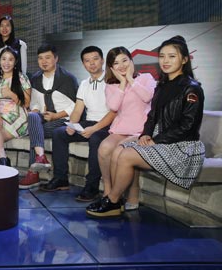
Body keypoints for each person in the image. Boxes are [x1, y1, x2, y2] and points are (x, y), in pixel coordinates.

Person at [87, 36, 205, 218]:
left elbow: (188, 127)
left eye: (172, 56)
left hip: (183, 147)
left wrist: (155, 139)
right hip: (163, 140)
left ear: (184, 59)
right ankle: (114, 199)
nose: (165, 61)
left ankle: (113, 200)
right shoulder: (163, 85)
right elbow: (151, 116)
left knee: (125, 155)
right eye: (162, 56)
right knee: (119, 150)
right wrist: (146, 134)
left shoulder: (192, 88)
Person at [41, 46, 116, 201]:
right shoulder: (84, 83)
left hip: (109, 125)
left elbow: (113, 112)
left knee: (95, 138)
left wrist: (94, 128)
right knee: (59, 133)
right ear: (83, 64)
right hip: (89, 122)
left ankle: (92, 186)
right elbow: (78, 109)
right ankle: (60, 178)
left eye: (95, 59)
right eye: (87, 61)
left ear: (102, 60)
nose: (92, 63)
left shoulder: (112, 81)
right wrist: (71, 125)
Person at [95, 46, 156, 211]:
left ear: (131, 60)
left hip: (141, 131)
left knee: (123, 151)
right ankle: (108, 190)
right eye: (116, 63)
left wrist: (130, 79)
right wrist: (122, 83)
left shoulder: (146, 78)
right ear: (111, 67)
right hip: (121, 129)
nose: (121, 66)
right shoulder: (111, 85)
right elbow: (114, 107)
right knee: (104, 148)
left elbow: (147, 97)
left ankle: (131, 193)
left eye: (124, 60)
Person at [19, 44, 78, 189]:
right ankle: (40, 157)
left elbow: (77, 106)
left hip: (64, 120)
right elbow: (35, 103)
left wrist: (56, 115)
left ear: (56, 59)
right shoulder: (35, 78)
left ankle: (33, 174)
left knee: (34, 131)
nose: (44, 61)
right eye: (40, 58)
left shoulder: (67, 78)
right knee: (32, 118)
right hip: (44, 118)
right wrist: (35, 110)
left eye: (47, 57)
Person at [0, 46, 31, 165]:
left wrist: (12, 94)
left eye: (10, 59)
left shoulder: (22, 78)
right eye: (4, 59)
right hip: (0, 116)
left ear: (15, 62)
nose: (6, 63)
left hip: (18, 115)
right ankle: (2, 163)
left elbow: (26, 104)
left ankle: (1, 163)